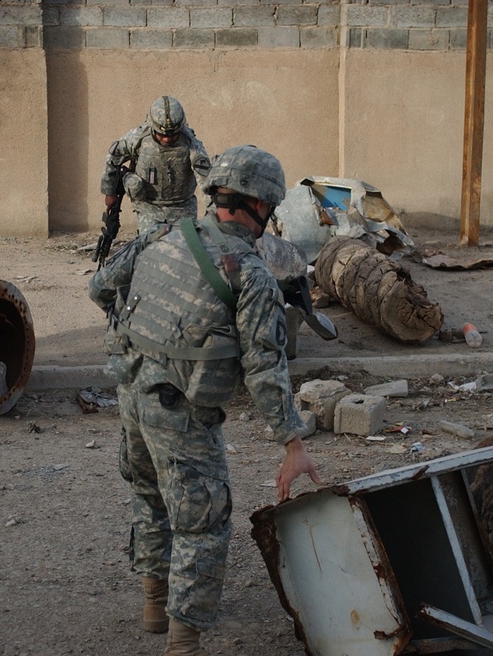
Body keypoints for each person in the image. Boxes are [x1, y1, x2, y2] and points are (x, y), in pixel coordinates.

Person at [88, 145, 322, 655]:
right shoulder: (252, 274)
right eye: (270, 207)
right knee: (203, 521)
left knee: (150, 499)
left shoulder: (161, 234)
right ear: (258, 204)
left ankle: (154, 606)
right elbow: (264, 366)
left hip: (133, 394)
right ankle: (183, 644)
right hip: (183, 412)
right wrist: (291, 442)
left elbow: (100, 287)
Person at [100, 96, 211, 234]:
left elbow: (206, 180)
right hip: (149, 207)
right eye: (161, 134)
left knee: (185, 250)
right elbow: (113, 157)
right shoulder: (137, 138)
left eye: (172, 135)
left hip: (182, 208)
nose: (166, 139)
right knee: (150, 249)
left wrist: (212, 213)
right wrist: (109, 192)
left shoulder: (191, 144)